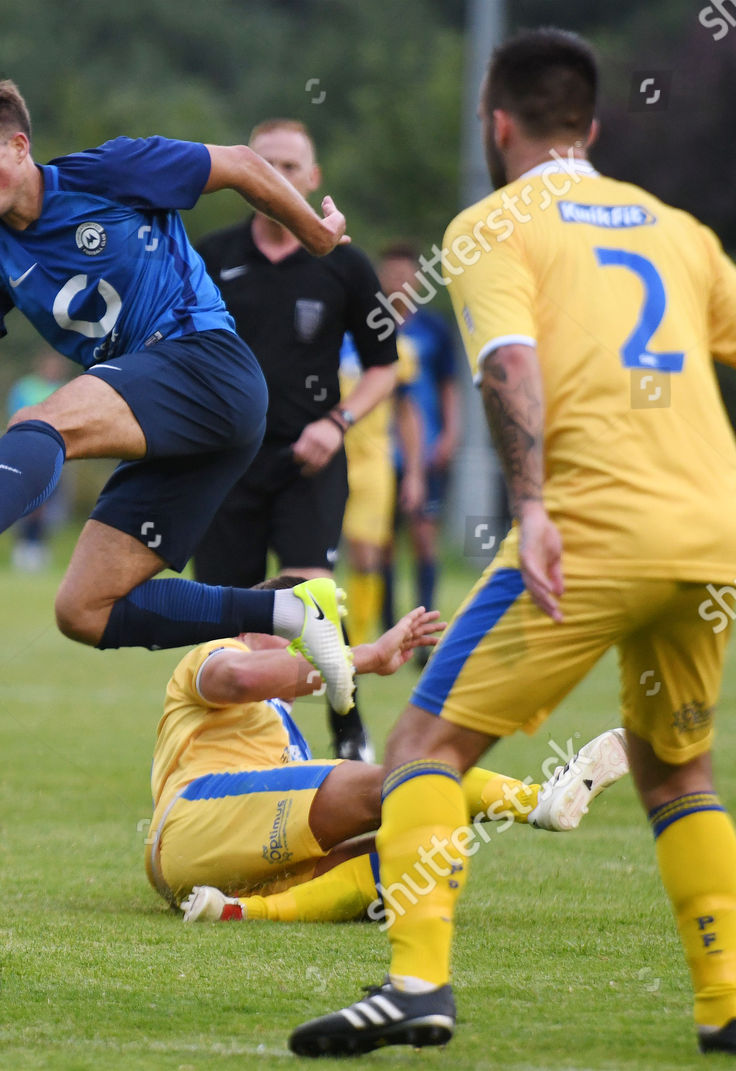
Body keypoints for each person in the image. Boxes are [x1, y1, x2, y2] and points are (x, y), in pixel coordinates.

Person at [290, 29, 736, 1059]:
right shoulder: (677, 227)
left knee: (423, 750)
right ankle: (724, 1013)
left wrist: (531, 504)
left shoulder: (495, 224)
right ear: (593, 126)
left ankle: (417, 984)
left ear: (498, 124)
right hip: (710, 538)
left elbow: (510, 367)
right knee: (678, 771)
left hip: (592, 528)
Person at [0, 80, 357, 708]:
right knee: (84, 609)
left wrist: (314, 234)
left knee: (42, 420)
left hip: (207, 363)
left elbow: (240, 162)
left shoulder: (112, 170)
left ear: (18, 147)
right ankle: (288, 612)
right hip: (174, 429)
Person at [143, 579, 628, 925]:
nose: (312, 644)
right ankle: (537, 801)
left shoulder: (286, 735)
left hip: (211, 873)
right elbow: (240, 678)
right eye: (304, 629)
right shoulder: (220, 652)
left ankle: (241, 912)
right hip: (189, 822)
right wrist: (367, 657)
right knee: (405, 776)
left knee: (424, 848)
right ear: (257, 623)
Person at [192, 119, 401, 759]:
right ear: (243, 177)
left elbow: (384, 366)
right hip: (223, 464)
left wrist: (336, 424)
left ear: (313, 179)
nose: (278, 177)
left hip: (309, 462)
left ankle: (348, 730)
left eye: (291, 166)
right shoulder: (207, 256)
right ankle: (240, 746)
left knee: (310, 592)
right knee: (231, 613)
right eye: (265, 165)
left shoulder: (343, 264)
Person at [375, 243, 461, 659]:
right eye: (390, 273)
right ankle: (388, 629)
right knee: (382, 541)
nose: (398, 281)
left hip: (423, 453)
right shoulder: (368, 326)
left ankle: (424, 633)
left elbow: (449, 385)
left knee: (425, 537)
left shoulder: (434, 329)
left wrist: (449, 434)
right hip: (377, 453)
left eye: (405, 273)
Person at [338, 332, 424, 648]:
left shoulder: (399, 346)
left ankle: (358, 641)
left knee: (365, 549)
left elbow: (406, 411)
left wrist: (415, 473)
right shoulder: (330, 336)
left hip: (375, 458)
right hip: (332, 452)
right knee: (320, 554)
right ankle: (321, 634)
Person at [6, 350, 71, 572]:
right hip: (29, 455)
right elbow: (17, 419)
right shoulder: (25, 388)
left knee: (48, 505)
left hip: (57, 456)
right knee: (30, 503)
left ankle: (39, 548)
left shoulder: (65, 390)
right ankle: (24, 549)